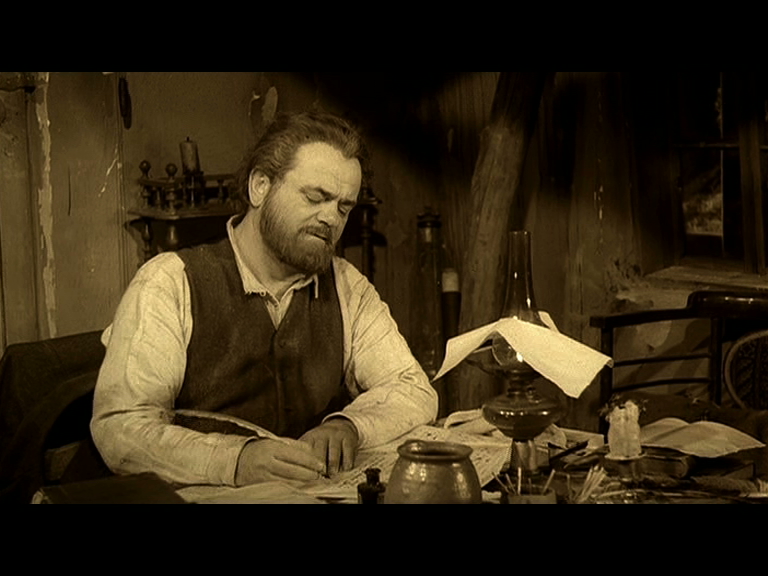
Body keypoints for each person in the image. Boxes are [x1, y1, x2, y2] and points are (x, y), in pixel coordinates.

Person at [91, 111, 438, 488]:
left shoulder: (346, 285)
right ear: (260, 186)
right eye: (316, 197)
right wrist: (234, 461)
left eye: (344, 208)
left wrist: (350, 425)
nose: (331, 219)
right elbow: (120, 427)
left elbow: (412, 388)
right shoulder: (170, 282)